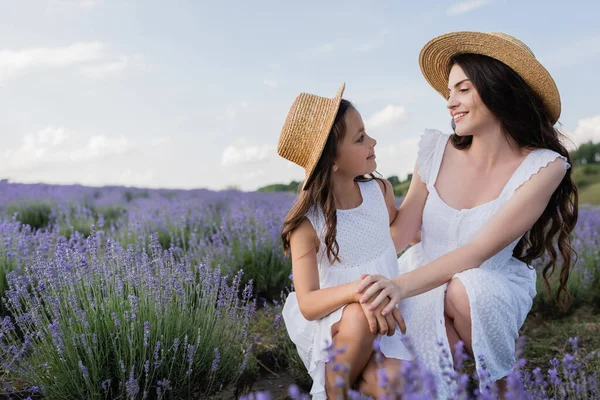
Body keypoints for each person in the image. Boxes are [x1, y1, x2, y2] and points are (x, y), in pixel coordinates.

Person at [356, 31, 579, 398]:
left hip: (487, 282)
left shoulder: (544, 166)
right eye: (448, 93)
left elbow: (477, 254)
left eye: (462, 89)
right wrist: (344, 256)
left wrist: (397, 287)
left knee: (464, 290)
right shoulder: (434, 150)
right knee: (411, 376)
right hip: (421, 275)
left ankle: (505, 386)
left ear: (498, 89)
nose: (450, 103)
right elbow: (402, 233)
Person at [278, 83, 412, 399]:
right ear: (333, 161)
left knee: (400, 384)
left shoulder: (379, 192)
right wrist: (358, 291)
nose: (373, 142)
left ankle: (355, 382)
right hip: (337, 330)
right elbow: (308, 304)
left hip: (384, 322)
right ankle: (332, 392)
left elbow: (402, 229)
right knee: (358, 314)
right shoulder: (307, 225)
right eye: (360, 138)